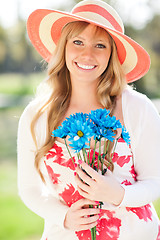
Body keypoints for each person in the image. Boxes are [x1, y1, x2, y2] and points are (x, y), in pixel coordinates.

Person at [17, 0, 160, 239]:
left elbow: (155, 181)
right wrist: (64, 216)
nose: (87, 54)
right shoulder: (37, 115)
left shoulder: (137, 108)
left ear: (112, 54)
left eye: (100, 45)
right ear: (64, 47)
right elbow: (30, 189)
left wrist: (119, 194)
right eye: (78, 42)